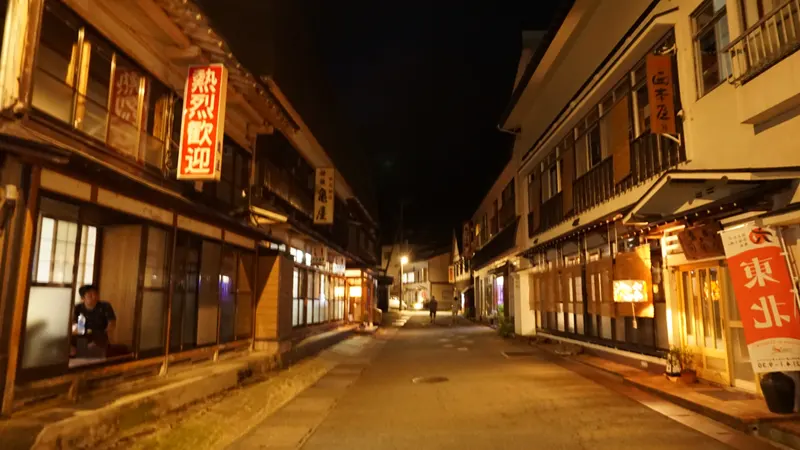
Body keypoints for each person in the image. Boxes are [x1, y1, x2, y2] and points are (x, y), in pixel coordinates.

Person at [71, 285, 116, 357]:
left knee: (94, 349)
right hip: (82, 336)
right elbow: (74, 324)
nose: (94, 297)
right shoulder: (78, 308)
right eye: (90, 295)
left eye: (95, 294)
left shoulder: (105, 306)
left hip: (99, 336)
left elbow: (111, 322)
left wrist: (107, 333)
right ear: (83, 298)